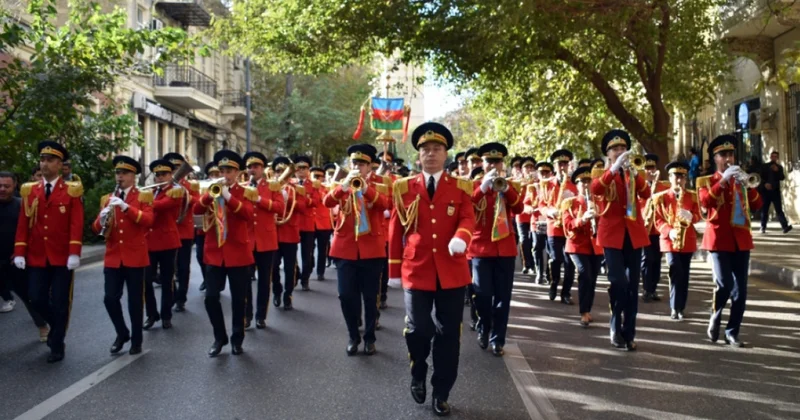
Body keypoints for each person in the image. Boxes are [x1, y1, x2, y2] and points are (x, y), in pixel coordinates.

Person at [388, 122, 475, 416]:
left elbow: (467, 218)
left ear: (446, 154)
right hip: (416, 268)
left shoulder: (461, 187)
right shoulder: (403, 187)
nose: (431, 154)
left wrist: (461, 238)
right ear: (418, 156)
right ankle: (418, 370)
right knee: (419, 329)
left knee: (449, 334)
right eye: (425, 149)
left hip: (451, 269)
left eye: (437, 149)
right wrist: (393, 270)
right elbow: (395, 229)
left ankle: (441, 391)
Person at [14, 141, 84, 363]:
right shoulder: (30, 190)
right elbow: (23, 224)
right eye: (42, 160)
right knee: (35, 297)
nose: (45, 164)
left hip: (62, 256)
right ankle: (56, 328)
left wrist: (74, 252)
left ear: (60, 165)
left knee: (61, 300)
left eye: (50, 160)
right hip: (37, 255)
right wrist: (19, 252)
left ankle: (57, 343)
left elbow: (76, 223)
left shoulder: (71, 191)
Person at [323, 144, 390, 355]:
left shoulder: (381, 182)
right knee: (345, 295)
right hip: (345, 247)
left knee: (371, 297)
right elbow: (326, 202)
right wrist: (343, 187)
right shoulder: (342, 181)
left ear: (370, 166)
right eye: (355, 162)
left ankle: (370, 338)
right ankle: (353, 335)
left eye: (362, 163)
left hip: (372, 247)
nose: (357, 166)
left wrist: (366, 190)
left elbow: (386, 204)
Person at [698, 135, 762, 348]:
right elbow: (706, 202)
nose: (728, 158)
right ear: (715, 159)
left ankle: (732, 331)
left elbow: (757, 204)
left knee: (740, 291)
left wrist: (748, 185)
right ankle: (715, 316)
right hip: (718, 240)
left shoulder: (741, 180)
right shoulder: (706, 181)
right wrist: (723, 180)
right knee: (724, 284)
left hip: (741, 240)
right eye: (723, 155)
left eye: (731, 154)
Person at [590, 130, 651, 351]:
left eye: (623, 148)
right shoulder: (602, 172)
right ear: (608, 154)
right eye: (615, 149)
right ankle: (615, 326)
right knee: (618, 282)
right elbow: (596, 190)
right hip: (612, 234)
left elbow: (646, 194)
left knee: (633, 286)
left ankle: (629, 332)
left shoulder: (632, 172)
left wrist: (634, 174)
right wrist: (614, 170)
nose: (621, 152)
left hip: (633, 234)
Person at [194, 150, 255, 356]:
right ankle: (220, 337)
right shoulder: (211, 189)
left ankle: (237, 338)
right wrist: (209, 194)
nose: (225, 174)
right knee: (211, 298)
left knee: (239, 300)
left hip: (238, 252)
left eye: (229, 170)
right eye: (222, 170)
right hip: (214, 253)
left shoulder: (246, 191)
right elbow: (196, 210)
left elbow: (247, 214)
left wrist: (228, 196)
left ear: (238, 173)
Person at [92, 156, 154, 355]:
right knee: (109, 298)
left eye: (124, 173)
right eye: (118, 173)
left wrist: (126, 207)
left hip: (135, 256)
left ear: (133, 177)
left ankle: (137, 340)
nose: (120, 177)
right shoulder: (107, 198)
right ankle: (122, 332)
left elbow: (148, 220)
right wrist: (101, 219)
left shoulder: (143, 196)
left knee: (135, 301)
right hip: (113, 256)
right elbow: (96, 228)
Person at [469, 142, 524, 357]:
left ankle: (497, 339)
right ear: (482, 163)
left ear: (503, 163)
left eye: (497, 161)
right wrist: (483, 188)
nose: (493, 165)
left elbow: (519, 208)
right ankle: (484, 325)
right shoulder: (472, 184)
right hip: (481, 248)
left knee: (502, 297)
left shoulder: (510, 184)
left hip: (505, 249)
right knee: (482, 295)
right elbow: (467, 207)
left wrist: (507, 189)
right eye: (489, 161)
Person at [1, 171, 49, 341]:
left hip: (17, 260)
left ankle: (42, 325)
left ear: (15, 185)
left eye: (6, 186)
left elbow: (33, 232)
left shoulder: (23, 205)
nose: (2, 189)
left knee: (29, 296)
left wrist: (21, 253)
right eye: (0, 186)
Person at [652, 161, 701, 321]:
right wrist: (669, 230)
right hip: (669, 240)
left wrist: (692, 217)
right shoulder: (661, 197)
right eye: (676, 176)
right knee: (675, 270)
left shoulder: (692, 196)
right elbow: (657, 219)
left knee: (684, 274)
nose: (679, 180)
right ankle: (674, 306)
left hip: (687, 239)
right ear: (670, 177)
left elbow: (699, 215)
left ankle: (681, 307)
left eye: (682, 177)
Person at [242, 151, 285, 329]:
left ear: (263, 168)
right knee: (244, 280)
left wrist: (259, 199)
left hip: (266, 239)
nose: (253, 170)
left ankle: (261, 315)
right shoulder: (241, 186)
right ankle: (246, 314)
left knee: (264, 280)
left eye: (256, 167)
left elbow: (280, 208)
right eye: (250, 167)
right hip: (246, 239)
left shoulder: (273, 187)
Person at [143, 158, 182, 330]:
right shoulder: (150, 192)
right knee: (146, 281)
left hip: (167, 241)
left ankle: (166, 315)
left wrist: (140, 200)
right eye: (157, 175)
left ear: (171, 174)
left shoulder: (175, 191)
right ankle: (152, 314)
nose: (160, 178)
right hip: (149, 242)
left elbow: (161, 206)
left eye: (164, 174)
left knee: (167, 281)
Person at [561, 166, 602, 327]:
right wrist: (582, 220)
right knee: (585, 273)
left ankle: (588, 309)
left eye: (588, 181)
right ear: (576, 185)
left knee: (593, 277)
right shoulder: (569, 203)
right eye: (582, 182)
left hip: (596, 245)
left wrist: (598, 216)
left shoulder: (598, 201)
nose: (585, 185)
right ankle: (584, 311)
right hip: (577, 245)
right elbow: (567, 225)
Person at [539, 149, 578, 304]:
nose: (562, 166)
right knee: (556, 259)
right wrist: (549, 211)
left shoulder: (574, 183)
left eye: (565, 164)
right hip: (554, 227)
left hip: (570, 228)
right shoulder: (547, 184)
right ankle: (554, 282)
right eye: (559, 164)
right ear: (554, 166)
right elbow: (541, 204)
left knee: (570, 262)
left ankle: (566, 293)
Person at [163, 153, 199, 313]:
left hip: (184, 231)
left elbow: (199, 203)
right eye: (173, 169)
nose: (176, 171)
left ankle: (181, 298)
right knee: (169, 267)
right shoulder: (162, 186)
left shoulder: (190, 186)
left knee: (183, 266)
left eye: (178, 168)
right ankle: (173, 294)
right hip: (167, 231)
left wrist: (188, 197)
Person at [272, 156, 307, 310]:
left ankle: (288, 294)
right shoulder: (271, 186)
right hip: (272, 233)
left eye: (284, 171)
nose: (281, 174)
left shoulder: (297, 188)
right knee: (273, 266)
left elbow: (303, 207)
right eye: (278, 171)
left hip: (290, 232)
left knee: (290, 267)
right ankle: (277, 291)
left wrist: (288, 199)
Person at [640, 154, 669, 303]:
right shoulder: (639, 186)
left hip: (658, 229)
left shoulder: (663, 187)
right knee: (647, 259)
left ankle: (653, 288)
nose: (650, 171)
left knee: (657, 260)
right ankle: (646, 288)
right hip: (645, 228)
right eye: (647, 168)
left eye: (652, 168)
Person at [293, 155, 319, 292]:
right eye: (298, 168)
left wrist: (304, 199)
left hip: (308, 223)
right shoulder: (290, 183)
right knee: (291, 253)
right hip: (293, 222)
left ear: (308, 170)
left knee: (307, 254)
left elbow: (316, 201)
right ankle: (296, 273)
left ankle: (305, 279)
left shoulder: (314, 184)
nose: (301, 171)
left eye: (304, 168)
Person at [197, 162, 221, 292]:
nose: (214, 177)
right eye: (212, 175)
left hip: (219, 227)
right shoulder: (203, 187)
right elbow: (198, 208)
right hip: (205, 227)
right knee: (200, 256)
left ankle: (215, 283)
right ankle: (206, 279)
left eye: (217, 174)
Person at [759, 151, 792, 234]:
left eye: (775, 156)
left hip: (775, 192)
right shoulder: (764, 166)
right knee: (764, 210)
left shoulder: (779, 167)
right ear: (770, 157)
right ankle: (763, 227)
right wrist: (765, 184)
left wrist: (777, 171)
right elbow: (759, 178)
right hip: (766, 192)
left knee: (779, 210)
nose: (774, 158)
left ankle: (785, 227)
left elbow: (782, 178)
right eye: (772, 156)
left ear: (777, 158)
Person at [516, 157, 536, 276]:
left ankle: (534, 264)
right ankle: (526, 263)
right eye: (526, 167)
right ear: (522, 170)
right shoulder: (517, 182)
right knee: (524, 240)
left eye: (531, 167)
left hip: (535, 215)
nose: (529, 169)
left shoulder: (538, 182)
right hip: (522, 215)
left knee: (535, 241)